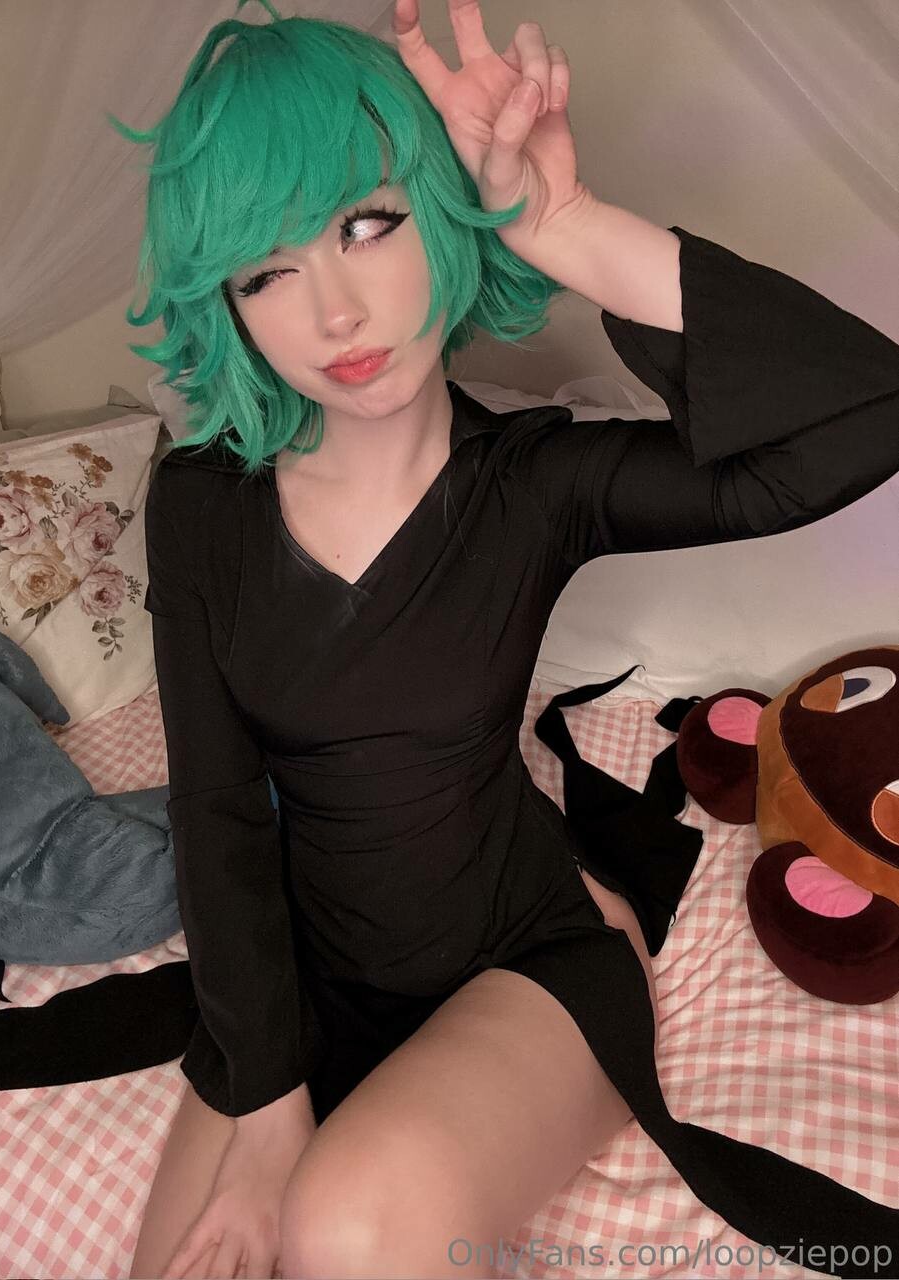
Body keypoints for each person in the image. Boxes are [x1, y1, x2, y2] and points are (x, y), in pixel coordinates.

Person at [110, 0, 899, 1276]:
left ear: (439, 206)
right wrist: (268, 1101)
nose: (335, 312)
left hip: (526, 956)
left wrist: (562, 223)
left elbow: (863, 419)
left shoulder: (535, 484)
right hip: (306, 972)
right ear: (231, 305)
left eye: (367, 222)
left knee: (343, 1225)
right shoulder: (200, 500)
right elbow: (218, 811)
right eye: (265, 271)